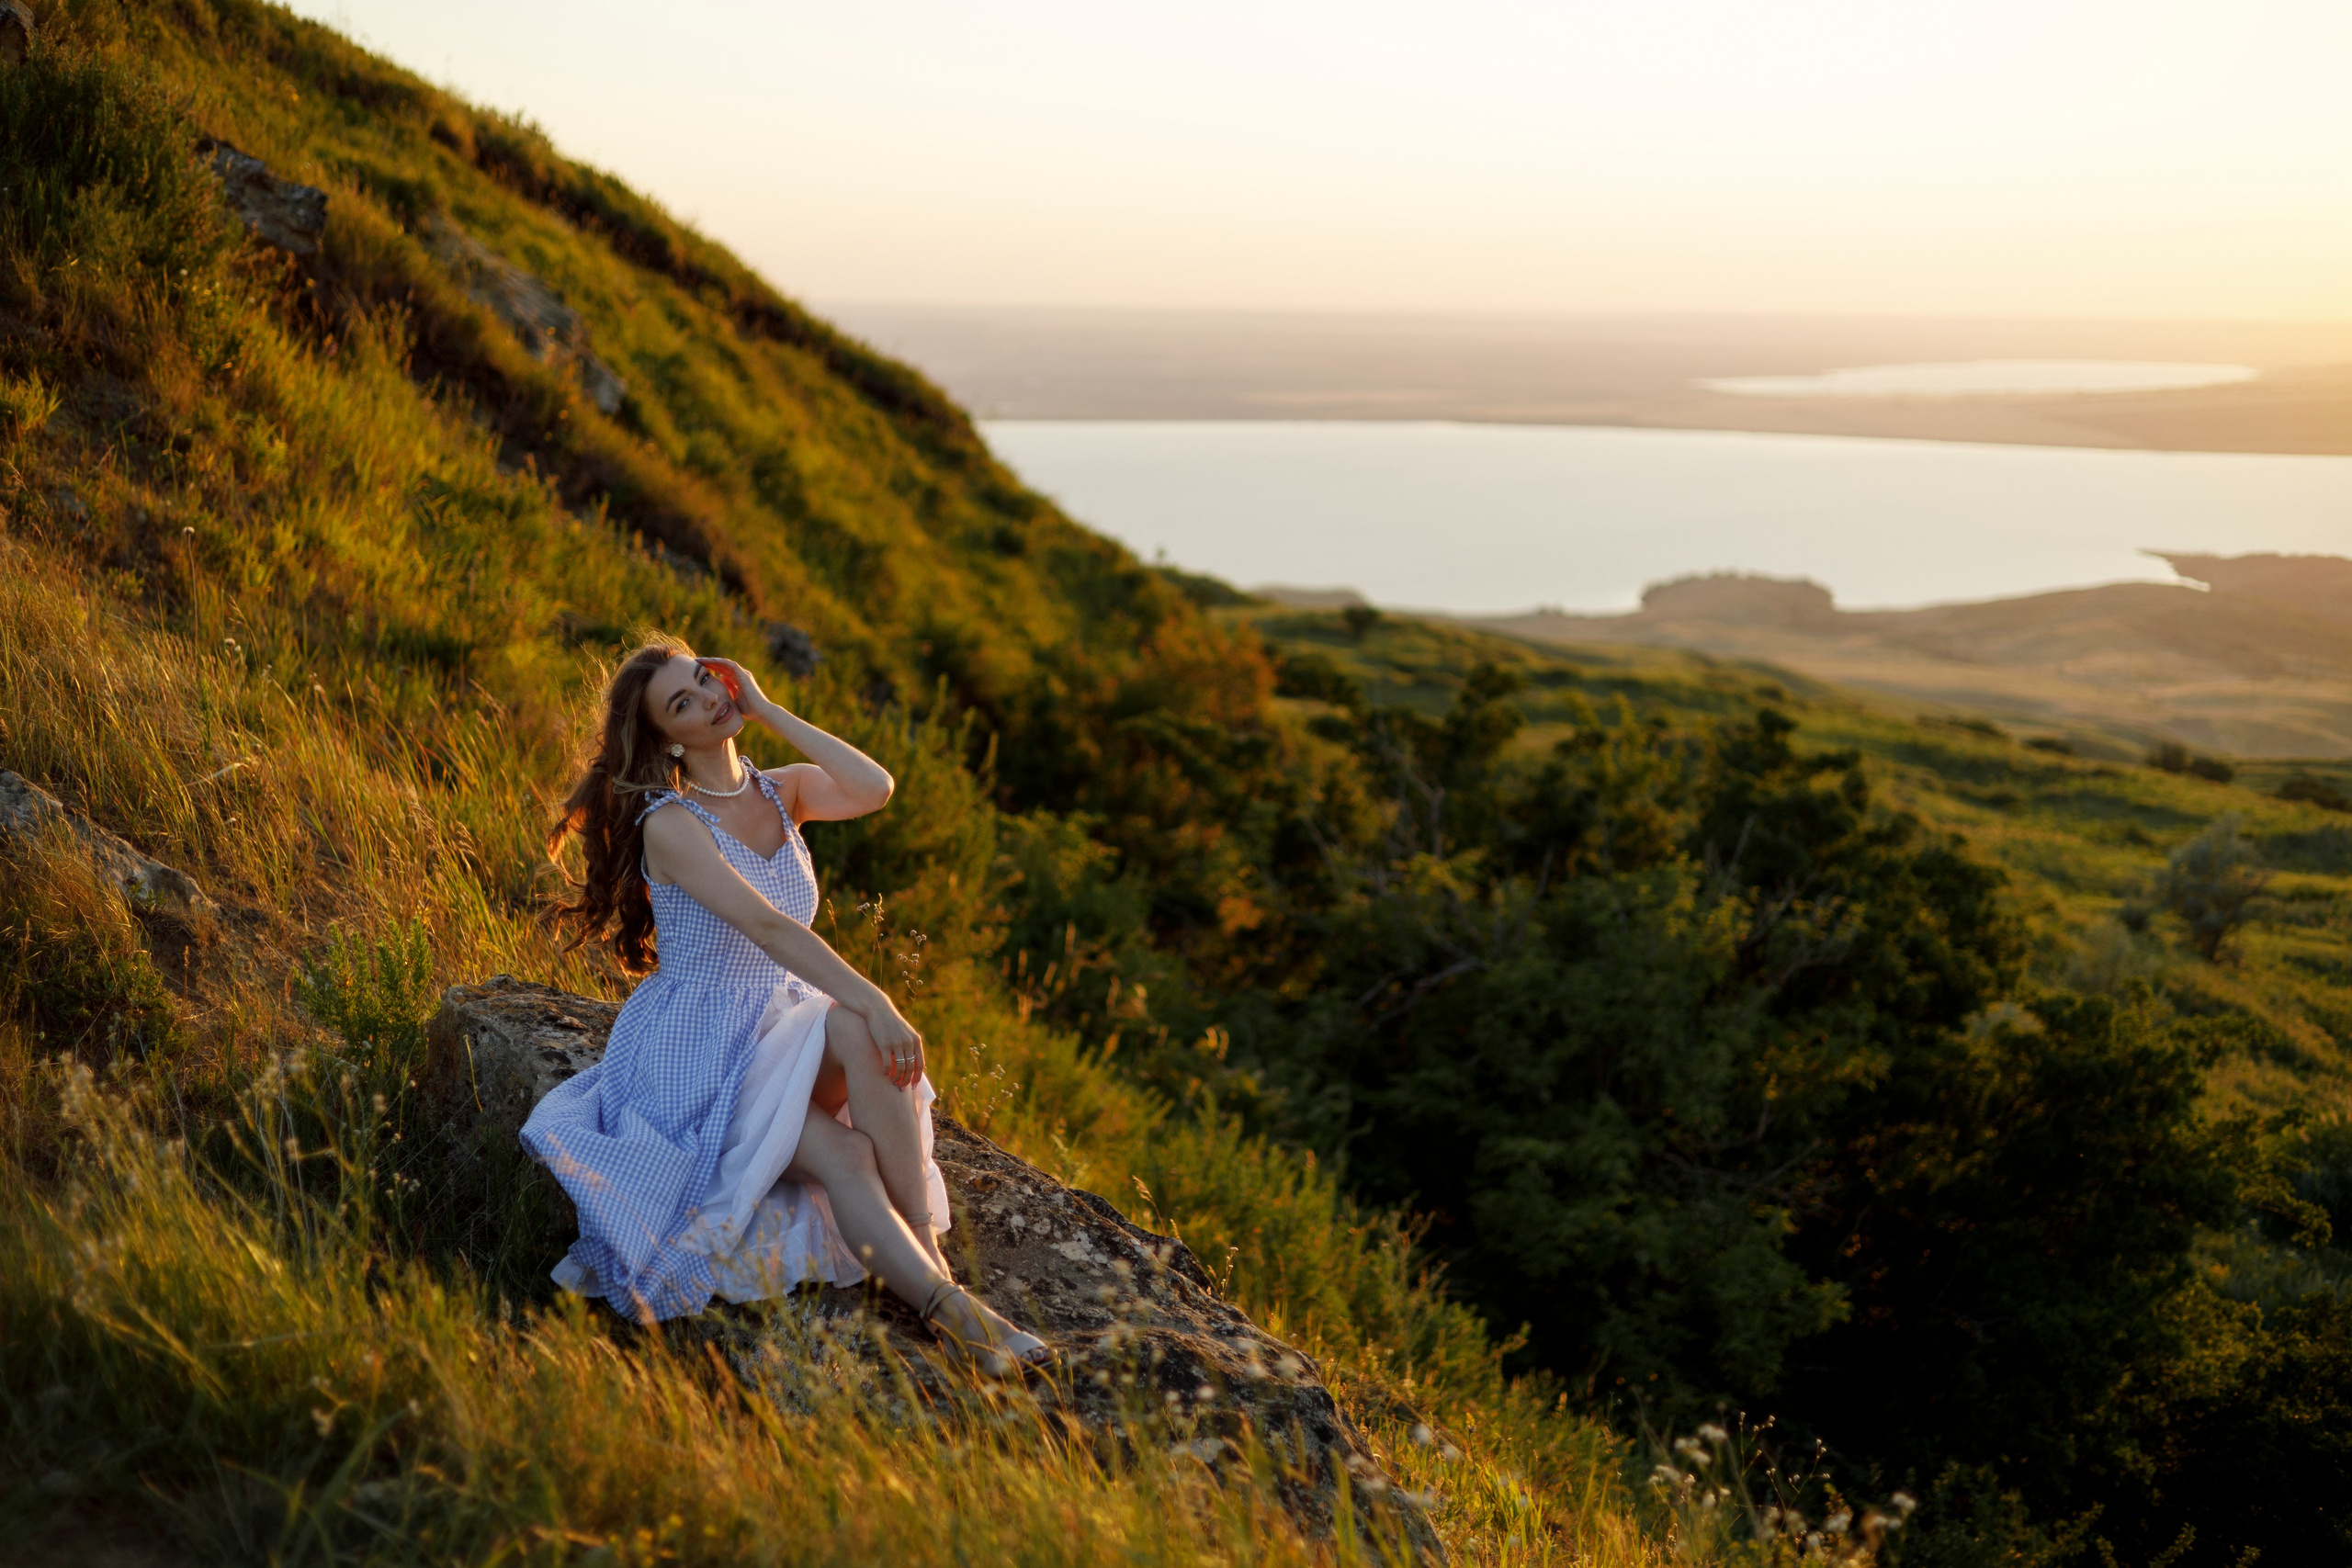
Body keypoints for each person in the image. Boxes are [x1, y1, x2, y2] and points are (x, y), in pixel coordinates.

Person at [521, 639, 1048, 1372]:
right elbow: (768, 926)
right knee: (848, 1143)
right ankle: (951, 1310)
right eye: (684, 702)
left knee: (857, 1030)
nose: (708, 698)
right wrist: (879, 995)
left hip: (778, 1024)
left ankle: (931, 1266)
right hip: (700, 1055)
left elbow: (875, 787)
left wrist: (765, 708)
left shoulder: (781, 790)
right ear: (669, 737)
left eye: (705, 680)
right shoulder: (672, 825)